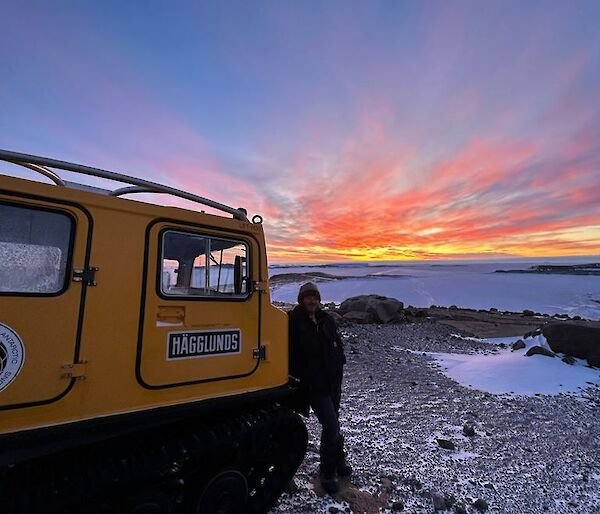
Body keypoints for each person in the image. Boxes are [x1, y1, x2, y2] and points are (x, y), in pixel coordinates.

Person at [288, 282, 352, 495]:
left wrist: (340, 360)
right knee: (331, 426)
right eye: (308, 297)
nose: (312, 301)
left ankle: (338, 458)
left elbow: (337, 343)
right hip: (314, 385)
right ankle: (327, 472)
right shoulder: (293, 322)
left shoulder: (326, 319)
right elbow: (288, 353)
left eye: (315, 297)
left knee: (335, 421)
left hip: (333, 382)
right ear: (301, 300)